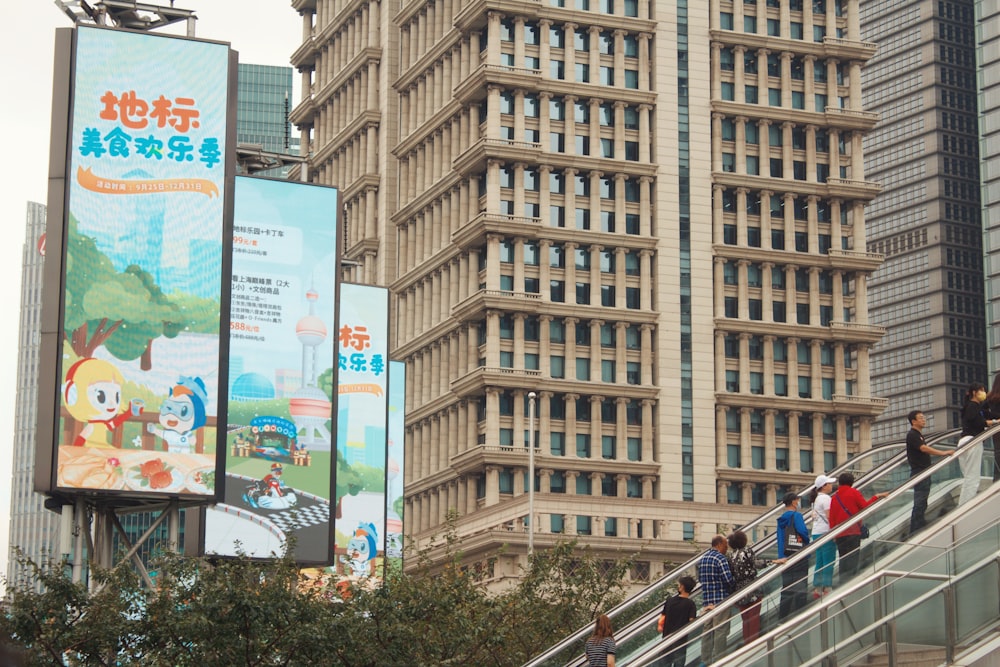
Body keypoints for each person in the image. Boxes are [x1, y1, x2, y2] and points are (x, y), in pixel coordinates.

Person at [829, 472, 889, 580]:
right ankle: (850, 581)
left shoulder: (834, 497)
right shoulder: (854, 493)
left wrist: (833, 533)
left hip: (839, 533)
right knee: (853, 558)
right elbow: (865, 506)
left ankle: (842, 583)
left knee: (843, 559)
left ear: (840, 483)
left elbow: (831, 517)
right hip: (853, 532)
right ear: (852, 482)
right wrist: (876, 496)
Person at [905, 410, 954, 534]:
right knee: (920, 502)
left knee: (922, 501)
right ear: (913, 421)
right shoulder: (913, 435)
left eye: (924, 417)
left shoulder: (918, 435)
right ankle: (915, 530)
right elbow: (923, 448)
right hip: (920, 472)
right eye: (920, 418)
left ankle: (918, 527)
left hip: (923, 472)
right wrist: (943, 452)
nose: (924, 420)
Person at [697, 534, 735, 665]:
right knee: (720, 631)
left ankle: (705, 661)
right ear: (719, 544)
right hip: (721, 601)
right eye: (725, 546)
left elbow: (701, 580)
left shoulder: (703, 559)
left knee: (707, 632)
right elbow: (728, 579)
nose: (726, 548)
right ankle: (720, 660)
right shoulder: (720, 558)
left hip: (707, 602)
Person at [957, 383, 997, 505]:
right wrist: (994, 422)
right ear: (974, 392)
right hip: (972, 442)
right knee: (973, 479)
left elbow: (988, 416)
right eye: (981, 390)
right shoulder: (972, 406)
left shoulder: (975, 407)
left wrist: (994, 419)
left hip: (965, 442)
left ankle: (962, 506)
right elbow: (979, 422)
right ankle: (964, 509)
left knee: (969, 478)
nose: (983, 393)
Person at [775, 492, 810, 619]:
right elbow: (802, 531)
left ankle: (783, 617)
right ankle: (800, 615)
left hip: (784, 556)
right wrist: (807, 539)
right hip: (798, 555)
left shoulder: (782, 518)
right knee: (800, 587)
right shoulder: (797, 516)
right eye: (798, 500)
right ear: (794, 502)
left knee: (787, 588)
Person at [726, 530, 762, 643]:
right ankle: (753, 643)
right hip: (752, 589)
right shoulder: (747, 551)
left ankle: (747, 642)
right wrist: (773, 562)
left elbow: (731, 574)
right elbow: (756, 563)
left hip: (740, 591)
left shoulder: (732, 556)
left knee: (746, 620)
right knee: (754, 618)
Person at [657, 575, 697, 667]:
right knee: (679, 663)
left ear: (682, 587)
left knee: (664, 662)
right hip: (680, 639)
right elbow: (692, 620)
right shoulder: (690, 604)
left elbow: (662, 617)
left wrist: (660, 626)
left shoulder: (670, 601)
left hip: (667, 637)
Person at [810, 474, 838, 598]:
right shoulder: (826, 498)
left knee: (819, 560)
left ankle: (817, 587)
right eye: (829, 483)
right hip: (825, 532)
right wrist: (834, 531)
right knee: (828, 560)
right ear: (824, 486)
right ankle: (827, 586)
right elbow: (829, 516)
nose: (831, 485)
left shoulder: (816, 499)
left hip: (816, 532)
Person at [986, 375, 1000, 482]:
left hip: (996, 432)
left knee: (997, 454)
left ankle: (996, 480)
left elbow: (985, 414)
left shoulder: (990, 398)